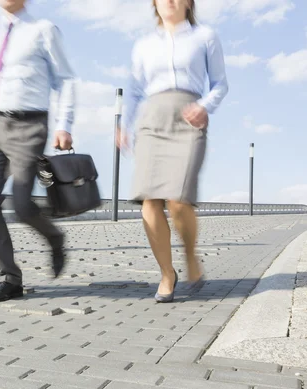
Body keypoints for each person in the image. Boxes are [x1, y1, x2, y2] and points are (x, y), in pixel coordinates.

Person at [116, 0, 228, 302]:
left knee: (178, 201)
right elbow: (135, 89)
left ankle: (191, 256)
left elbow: (220, 84)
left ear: (189, 2)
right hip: (152, 121)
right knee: (149, 203)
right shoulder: (143, 45)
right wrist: (124, 126)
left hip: (188, 118)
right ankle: (167, 273)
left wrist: (204, 107)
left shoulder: (205, 37)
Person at [0, 0, 76, 303]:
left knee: (21, 205)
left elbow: (65, 79)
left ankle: (55, 237)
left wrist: (64, 125)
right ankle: (9, 278)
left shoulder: (43, 30)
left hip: (30, 125)